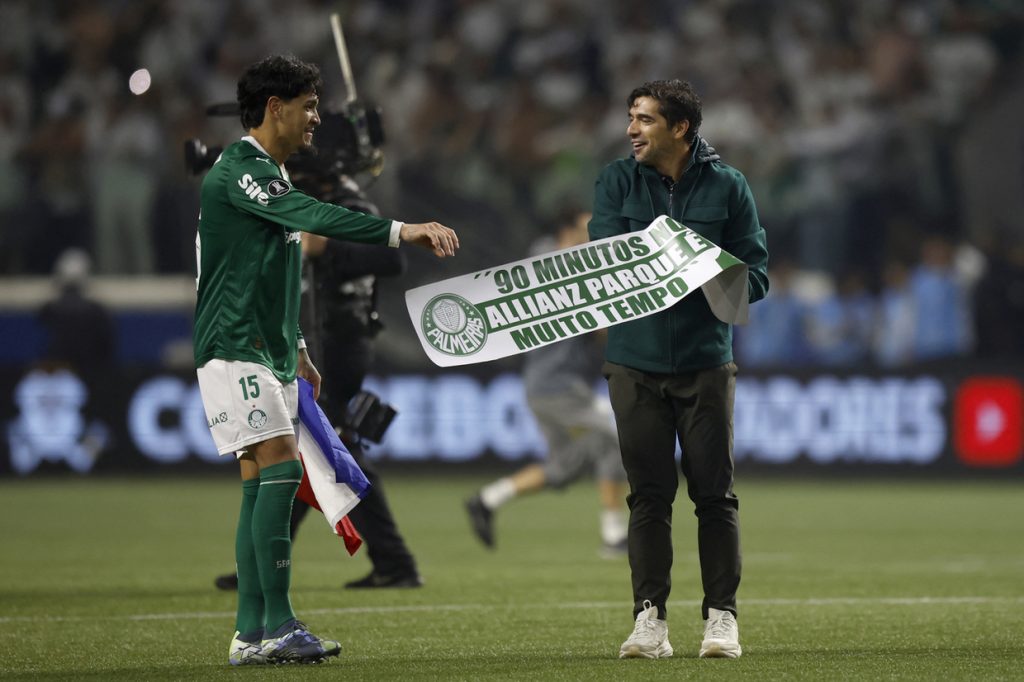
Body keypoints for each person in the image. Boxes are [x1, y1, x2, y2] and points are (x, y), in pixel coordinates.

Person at [193, 54, 457, 667]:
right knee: (281, 470)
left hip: (263, 348)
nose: (317, 118)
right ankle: (277, 628)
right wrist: (401, 229)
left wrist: (301, 349)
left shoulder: (269, 177)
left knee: (260, 481)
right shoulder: (241, 170)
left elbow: (271, 277)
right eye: (309, 106)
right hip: (236, 348)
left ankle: (250, 633)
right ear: (274, 108)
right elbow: (312, 219)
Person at [588, 80, 768, 660]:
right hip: (633, 364)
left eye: (644, 119)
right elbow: (603, 262)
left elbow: (756, 279)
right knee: (648, 496)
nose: (631, 129)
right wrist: (667, 256)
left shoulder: (729, 185)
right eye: (630, 118)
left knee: (714, 496)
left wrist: (702, 266)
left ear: (680, 128)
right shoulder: (616, 180)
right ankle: (650, 622)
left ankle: (722, 620)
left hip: (705, 365)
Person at [213, 172, 423, 592]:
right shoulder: (301, 198)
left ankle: (394, 561)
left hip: (340, 343)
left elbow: (391, 260)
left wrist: (327, 250)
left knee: (326, 447)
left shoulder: (347, 200)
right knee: (312, 448)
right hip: (319, 339)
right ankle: (269, 560)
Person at [464, 208, 629, 556]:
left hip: (544, 385)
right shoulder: (549, 260)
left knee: (565, 465)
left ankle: (487, 499)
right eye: (587, 228)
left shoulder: (566, 262)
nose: (593, 234)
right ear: (567, 231)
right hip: (558, 384)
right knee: (621, 434)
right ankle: (615, 536)